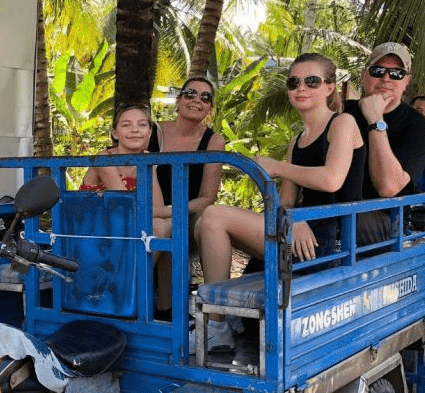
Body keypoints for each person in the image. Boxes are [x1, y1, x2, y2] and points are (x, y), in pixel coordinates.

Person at [197, 53, 366, 353]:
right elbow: (285, 201)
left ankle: (218, 324)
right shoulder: (297, 140)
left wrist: (277, 167)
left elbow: (332, 180)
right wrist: (295, 220)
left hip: (331, 241)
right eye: (294, 82)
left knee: (214, 216)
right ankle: (222, 319)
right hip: (302, 234)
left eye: (311, 81)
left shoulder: (343, 123)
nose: (301, 88)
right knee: (206, 224)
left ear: (329, 87)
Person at [147, 77, 226, 312]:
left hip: (186, 216)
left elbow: (207, 197)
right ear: (179, 100)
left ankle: (167, 311)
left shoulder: (213, 141)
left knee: (172, 226)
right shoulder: (154, 131)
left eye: (205, 97)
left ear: (210, 108)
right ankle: (130, 296)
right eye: (190, 94)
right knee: (165, 225)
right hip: (146, 211)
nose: (197, 100)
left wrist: (173, 212)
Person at [344, 42, 425, 244]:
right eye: (378, 71)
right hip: (334, 209)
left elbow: (388, 187)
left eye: (396, 74)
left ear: (406, 82)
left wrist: (375, 119)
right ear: (364, 76)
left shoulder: (419, 126)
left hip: (386, 219)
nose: (386, 78)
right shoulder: (343, 112)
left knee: (340, 222)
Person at [80, 104, 172, 237]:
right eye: (126, 125)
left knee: (163, 224)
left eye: (142, 125)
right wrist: (176, 210)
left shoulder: (147, 159)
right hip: (94, 228)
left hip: (127, 224)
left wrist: (166, 212)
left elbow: (158, 206)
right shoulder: (105, 158)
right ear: (115, 133)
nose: (135, 130)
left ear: (150, 132)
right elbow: (126, 205)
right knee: (162, 225)